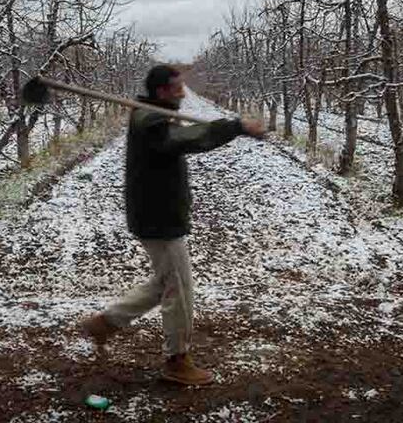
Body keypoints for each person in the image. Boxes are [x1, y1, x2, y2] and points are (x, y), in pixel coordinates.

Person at [79, 64, 266, 385]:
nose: (184, 91)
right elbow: (182, 139)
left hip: (160, 213)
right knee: (179, 288)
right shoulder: (150, 120)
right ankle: (176, 359)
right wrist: (235, 126)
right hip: (158, 217)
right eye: (178, 86)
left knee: (167, 281)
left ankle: (106, 323)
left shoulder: (156, 114)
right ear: (162, 90)